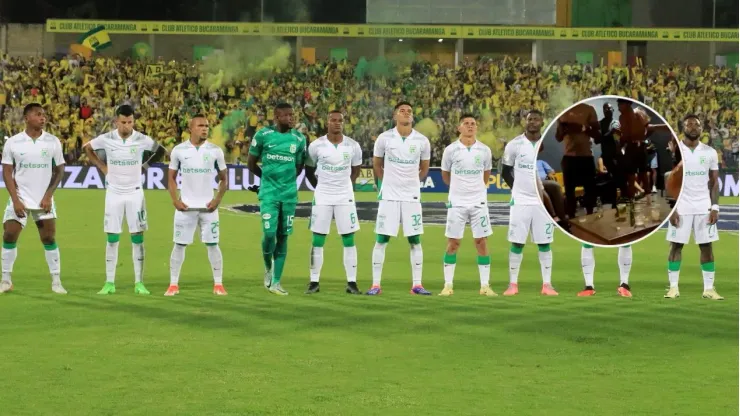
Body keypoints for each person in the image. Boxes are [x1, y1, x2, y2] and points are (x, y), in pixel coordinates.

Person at [84, 104, 166, 295]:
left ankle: (139, 283)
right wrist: (102, 167)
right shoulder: (107, 138)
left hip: (135, 193)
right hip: (113, 192)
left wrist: (144, 167)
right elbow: (88, 148)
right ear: (116, 122)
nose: (127, 126)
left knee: (137, 236)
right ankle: (109, 282)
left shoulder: (141, 139)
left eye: (130, 122)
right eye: (123, 122)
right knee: (112, 237)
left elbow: (160, 150)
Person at [0, 103, 66, 294]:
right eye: (38, 114)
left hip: (43, 199)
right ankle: (5, 280)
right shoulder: (13, 142)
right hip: (20, 197)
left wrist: (48, 195)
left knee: (48, 237)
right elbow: (7, 171)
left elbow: (60, 169)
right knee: (9, 234)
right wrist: (15, 199)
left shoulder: (52, 141)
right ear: (27, 118)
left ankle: (56, 281)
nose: (43, 118)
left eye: (44, 115)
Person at [367, 101, 432, 295]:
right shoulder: (384, 138)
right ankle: (375, 285)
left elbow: (425, 167)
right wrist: (387, 183)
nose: (406, 113)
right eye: (402, 111)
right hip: (389, 196)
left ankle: (417, 285)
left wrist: (411, 183)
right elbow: (377, 164)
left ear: (413, 117)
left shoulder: (422, 141)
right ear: (395, 116)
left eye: (409, 111)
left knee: (414, 239)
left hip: (411, 196)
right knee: (382, 239)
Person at [246, 103, 307, 296]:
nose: (292, 118)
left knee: (283, 236)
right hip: (269, 194)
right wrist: (267, 179)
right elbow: (251, 164)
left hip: (289, 195)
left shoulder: (299, 139)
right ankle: (268, 268)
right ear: (276, 116)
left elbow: (299, 167)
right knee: (269, 233)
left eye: (293, 115)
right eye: (287, 115)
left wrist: (286, 181)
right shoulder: (263, 135)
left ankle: (277, 282)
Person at [165, 115, 228, 296]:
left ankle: (218, 284)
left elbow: (224, 179)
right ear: (191, 128)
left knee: (213, 245)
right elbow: (170, 177)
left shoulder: (215, 151)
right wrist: (175, 200)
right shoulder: (179, 150)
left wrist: (217, 200)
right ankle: (173, 284)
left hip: (209, 208)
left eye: (207, 126)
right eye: (201, 126)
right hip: (186, 208)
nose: (205, 129)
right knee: (179, 245)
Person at [303, 111, 363, 295]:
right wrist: (320, 187)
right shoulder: (316, 145)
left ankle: (352, 283)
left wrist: (346, 186)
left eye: (340, 121)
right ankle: (314, 282)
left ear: (343, 123)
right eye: (333, 120)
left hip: (344, 196)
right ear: (327, 122)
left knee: (349, 239)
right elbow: (308, 170)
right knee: (318, 239)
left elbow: (356, 169)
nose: (337, 123)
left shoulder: (353, 146)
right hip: (323, 195)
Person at [501, 110, 559, 296]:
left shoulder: (547, 144)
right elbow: (505, 170)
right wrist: (516, 188)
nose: (532, 122)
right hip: (521, 201)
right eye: (529, 119)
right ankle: (513, 285)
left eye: (536, 119)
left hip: (541, 202)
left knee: (545, 242)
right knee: (517, 242)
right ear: (524, 122)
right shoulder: (515, 144)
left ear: (542, 122)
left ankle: (547, 285)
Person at [665, 115, 722, 300]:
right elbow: (667, 179)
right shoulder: (675, 150)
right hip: (681, 206)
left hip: (703, 206)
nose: (693, 127)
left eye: (697, 124)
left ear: (701, 129)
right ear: (683, 127)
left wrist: (715, 207)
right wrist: (672, 208)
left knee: (707, 247)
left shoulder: (710, 152)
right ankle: (673, 288)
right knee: (676, 246)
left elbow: (714, 182)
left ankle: (709, 289)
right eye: (689, 124)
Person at [438, 114, 496, 296]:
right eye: (466, 123)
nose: (470, 126)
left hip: (478, 202)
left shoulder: (485, 150)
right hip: (457, 203)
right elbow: (445, 175)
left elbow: (486, 175)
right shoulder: (450, 150)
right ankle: (448, 285)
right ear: (459, 127)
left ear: (476, 128)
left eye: (473, 124)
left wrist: (475, 190)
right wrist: (459, 191)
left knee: (481, 242)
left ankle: (485, 286)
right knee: (453, 242)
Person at [555, 102, 601, 218]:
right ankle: (572, 222)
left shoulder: (589, 109)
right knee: (569, 193)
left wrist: (582, 128)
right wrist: (564, 129)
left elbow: (598, 135)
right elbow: (558, 138)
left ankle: (591, 219)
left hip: (586, 157)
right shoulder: (563, 111)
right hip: (569, 158)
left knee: (590, 192)